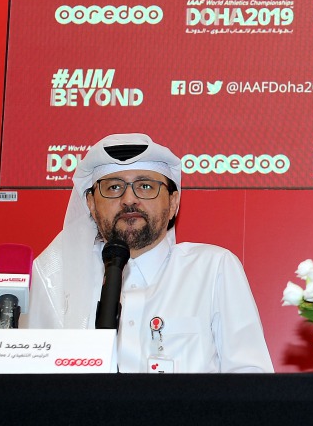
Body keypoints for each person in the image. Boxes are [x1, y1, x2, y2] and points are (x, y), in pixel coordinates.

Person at [28, 133, 274, 372]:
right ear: (91, 204)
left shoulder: (213, 269)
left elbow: (251, 381)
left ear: (173, 204)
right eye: (114, 187)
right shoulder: (57, 277)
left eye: (145, 186)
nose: (129, 199)